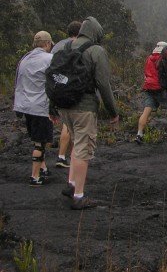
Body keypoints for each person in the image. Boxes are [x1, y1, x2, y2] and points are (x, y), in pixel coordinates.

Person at [56, 16, 120, 209]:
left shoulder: (65, 47)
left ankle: (72, 184)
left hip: (64, 105)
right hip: (84, 107)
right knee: (84, 150)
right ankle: (79, 196)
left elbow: (54, 76)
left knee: (77, 144)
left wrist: (53, 107)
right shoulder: (96, 51)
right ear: (96, 33)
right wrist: (113, 111)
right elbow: (103, 83)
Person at [13, 31, 56, 186]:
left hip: (25, 105)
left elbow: (18, 81)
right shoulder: (49, 59)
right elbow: (56, 80)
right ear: (47, 43)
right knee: (40, 142)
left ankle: (43, 167)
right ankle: (35, 176)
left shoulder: (24, 59)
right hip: (40, 106)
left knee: (37, 139)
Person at [51, 20, 82, 168]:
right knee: (70, 125)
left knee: (66, 122)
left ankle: (64, 157)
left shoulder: (57, 46)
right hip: (71, 88)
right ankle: (63, 156)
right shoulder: (78, 45)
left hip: (56, 87)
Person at [135, 41, 167, 144]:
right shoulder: (164, 59)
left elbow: (146, 73)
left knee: (146, 111)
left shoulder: (149, 58)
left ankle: (139, 133)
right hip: (160, 88)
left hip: (149, 88)